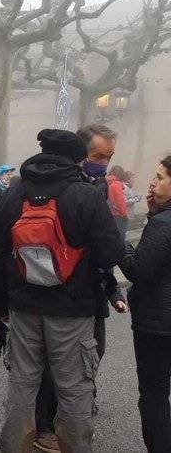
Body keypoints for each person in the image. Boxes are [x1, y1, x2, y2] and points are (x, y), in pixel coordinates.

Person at [0, 129, 124, 453]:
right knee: (74, 390)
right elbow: (110, 254)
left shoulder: (13, 193)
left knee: (22, 387)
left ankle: (14, 447)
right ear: (78, 158)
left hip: (23, 309)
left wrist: (0, 309)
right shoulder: (86, 194)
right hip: (72, 310)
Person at [32, 124, 127, 451]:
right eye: (98, 155)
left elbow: (103, 248)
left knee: (93, 352)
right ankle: (45, 425)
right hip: (56, 290)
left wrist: (112, 289)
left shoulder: (97, 186)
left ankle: (74, 410)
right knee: (54, 363)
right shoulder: (54, 187)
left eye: (109, 157)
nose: (103, 162)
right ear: (79, 153)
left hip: (90, 289)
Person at [121, 156, 171, 451]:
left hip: (158, 323)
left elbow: (138, 269)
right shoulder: (162, 219)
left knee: (153, 392)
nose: (153, 182)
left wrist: (124, 246)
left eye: (161, 177)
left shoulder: (164, 224)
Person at [107, 165, 131, 243]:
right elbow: (120, 200)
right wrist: (124, 214)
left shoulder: (107, 181)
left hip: (109, 212)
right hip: (118, 214)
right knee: (120, 235)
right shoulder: (116, 183)